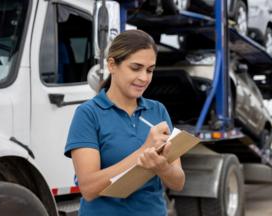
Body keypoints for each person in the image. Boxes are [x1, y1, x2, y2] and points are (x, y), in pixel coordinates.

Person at [64, 29, 185, 216]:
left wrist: (162, 167)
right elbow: (88, 188)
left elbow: (178, 183)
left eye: (150, 70)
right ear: (112, 65)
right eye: (136, 68)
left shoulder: (158, 111)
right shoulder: (88, 114)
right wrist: (142, 152)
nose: (144, 78)